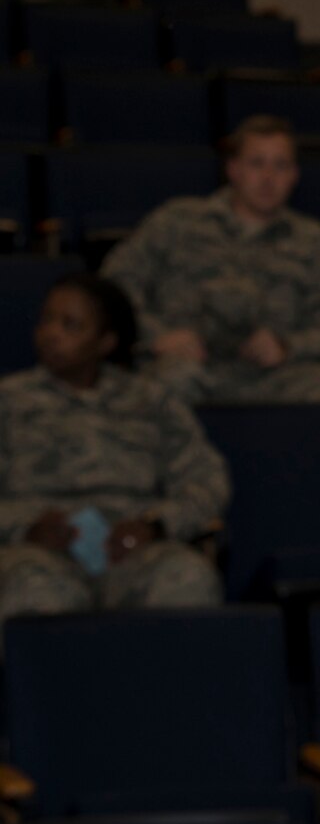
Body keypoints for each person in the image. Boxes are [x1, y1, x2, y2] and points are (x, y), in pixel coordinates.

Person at [0, 273, 227, 644]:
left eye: (70, 325)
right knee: (34, 589)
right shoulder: (8, 401)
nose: (51, 333)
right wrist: (25, 527)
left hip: (130, 553)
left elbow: (207, 480)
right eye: (46, 320)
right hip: (33, 554)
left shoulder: (152, 401)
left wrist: (156, 525)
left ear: (105, 342)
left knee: (186, 576)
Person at [101, 114, 320, 406]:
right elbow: (113, 288)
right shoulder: (178, 220)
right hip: (185, 367)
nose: (268, 178)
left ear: (295, 175)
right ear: (233, 169)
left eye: (280, 165)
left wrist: (287, 347)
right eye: (257, 163)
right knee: (166, 384)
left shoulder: (313, 240)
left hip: (272, 377)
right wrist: (158, 337)